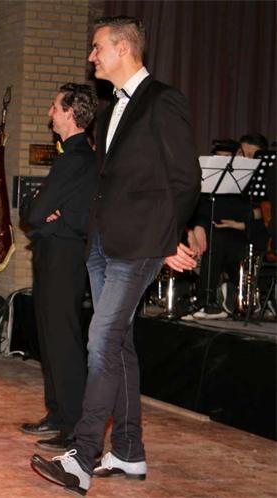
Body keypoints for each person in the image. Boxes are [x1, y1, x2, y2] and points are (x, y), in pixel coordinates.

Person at [31, 16, 201, 495]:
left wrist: (169, 239)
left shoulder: (163, 101)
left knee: (101, 341)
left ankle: (82, 457)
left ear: (123, 48)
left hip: (141, 244)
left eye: (97, 47)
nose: (91, 57)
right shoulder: (108, 113)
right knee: (119, 346)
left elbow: (185, 179)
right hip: (102, 245)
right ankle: (128, 451)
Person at [19, 83, 98, 452]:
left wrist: (47, 215)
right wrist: (45, 212)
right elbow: (36, 210)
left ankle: (73, 424)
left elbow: (35, 212)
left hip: (64, 255)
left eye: (54, 107)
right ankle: (57, 413)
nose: (49, 113)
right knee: (50, 337)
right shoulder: (75, 155)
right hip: (57, 251)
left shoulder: (78, 157)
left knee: (63, 339)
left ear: (70, 112)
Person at [184, 132, 269, 319]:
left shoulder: (263, 181)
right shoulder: (230, 178)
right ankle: (207, 301)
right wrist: (198, 226)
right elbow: (208, 208)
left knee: (221, 238)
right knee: (216, 237)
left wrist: (241, 224)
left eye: (251, 155)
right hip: (225, 236)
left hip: (252, 237)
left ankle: (218, 298)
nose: (245, 159)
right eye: (242, 153)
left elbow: (266, 219)